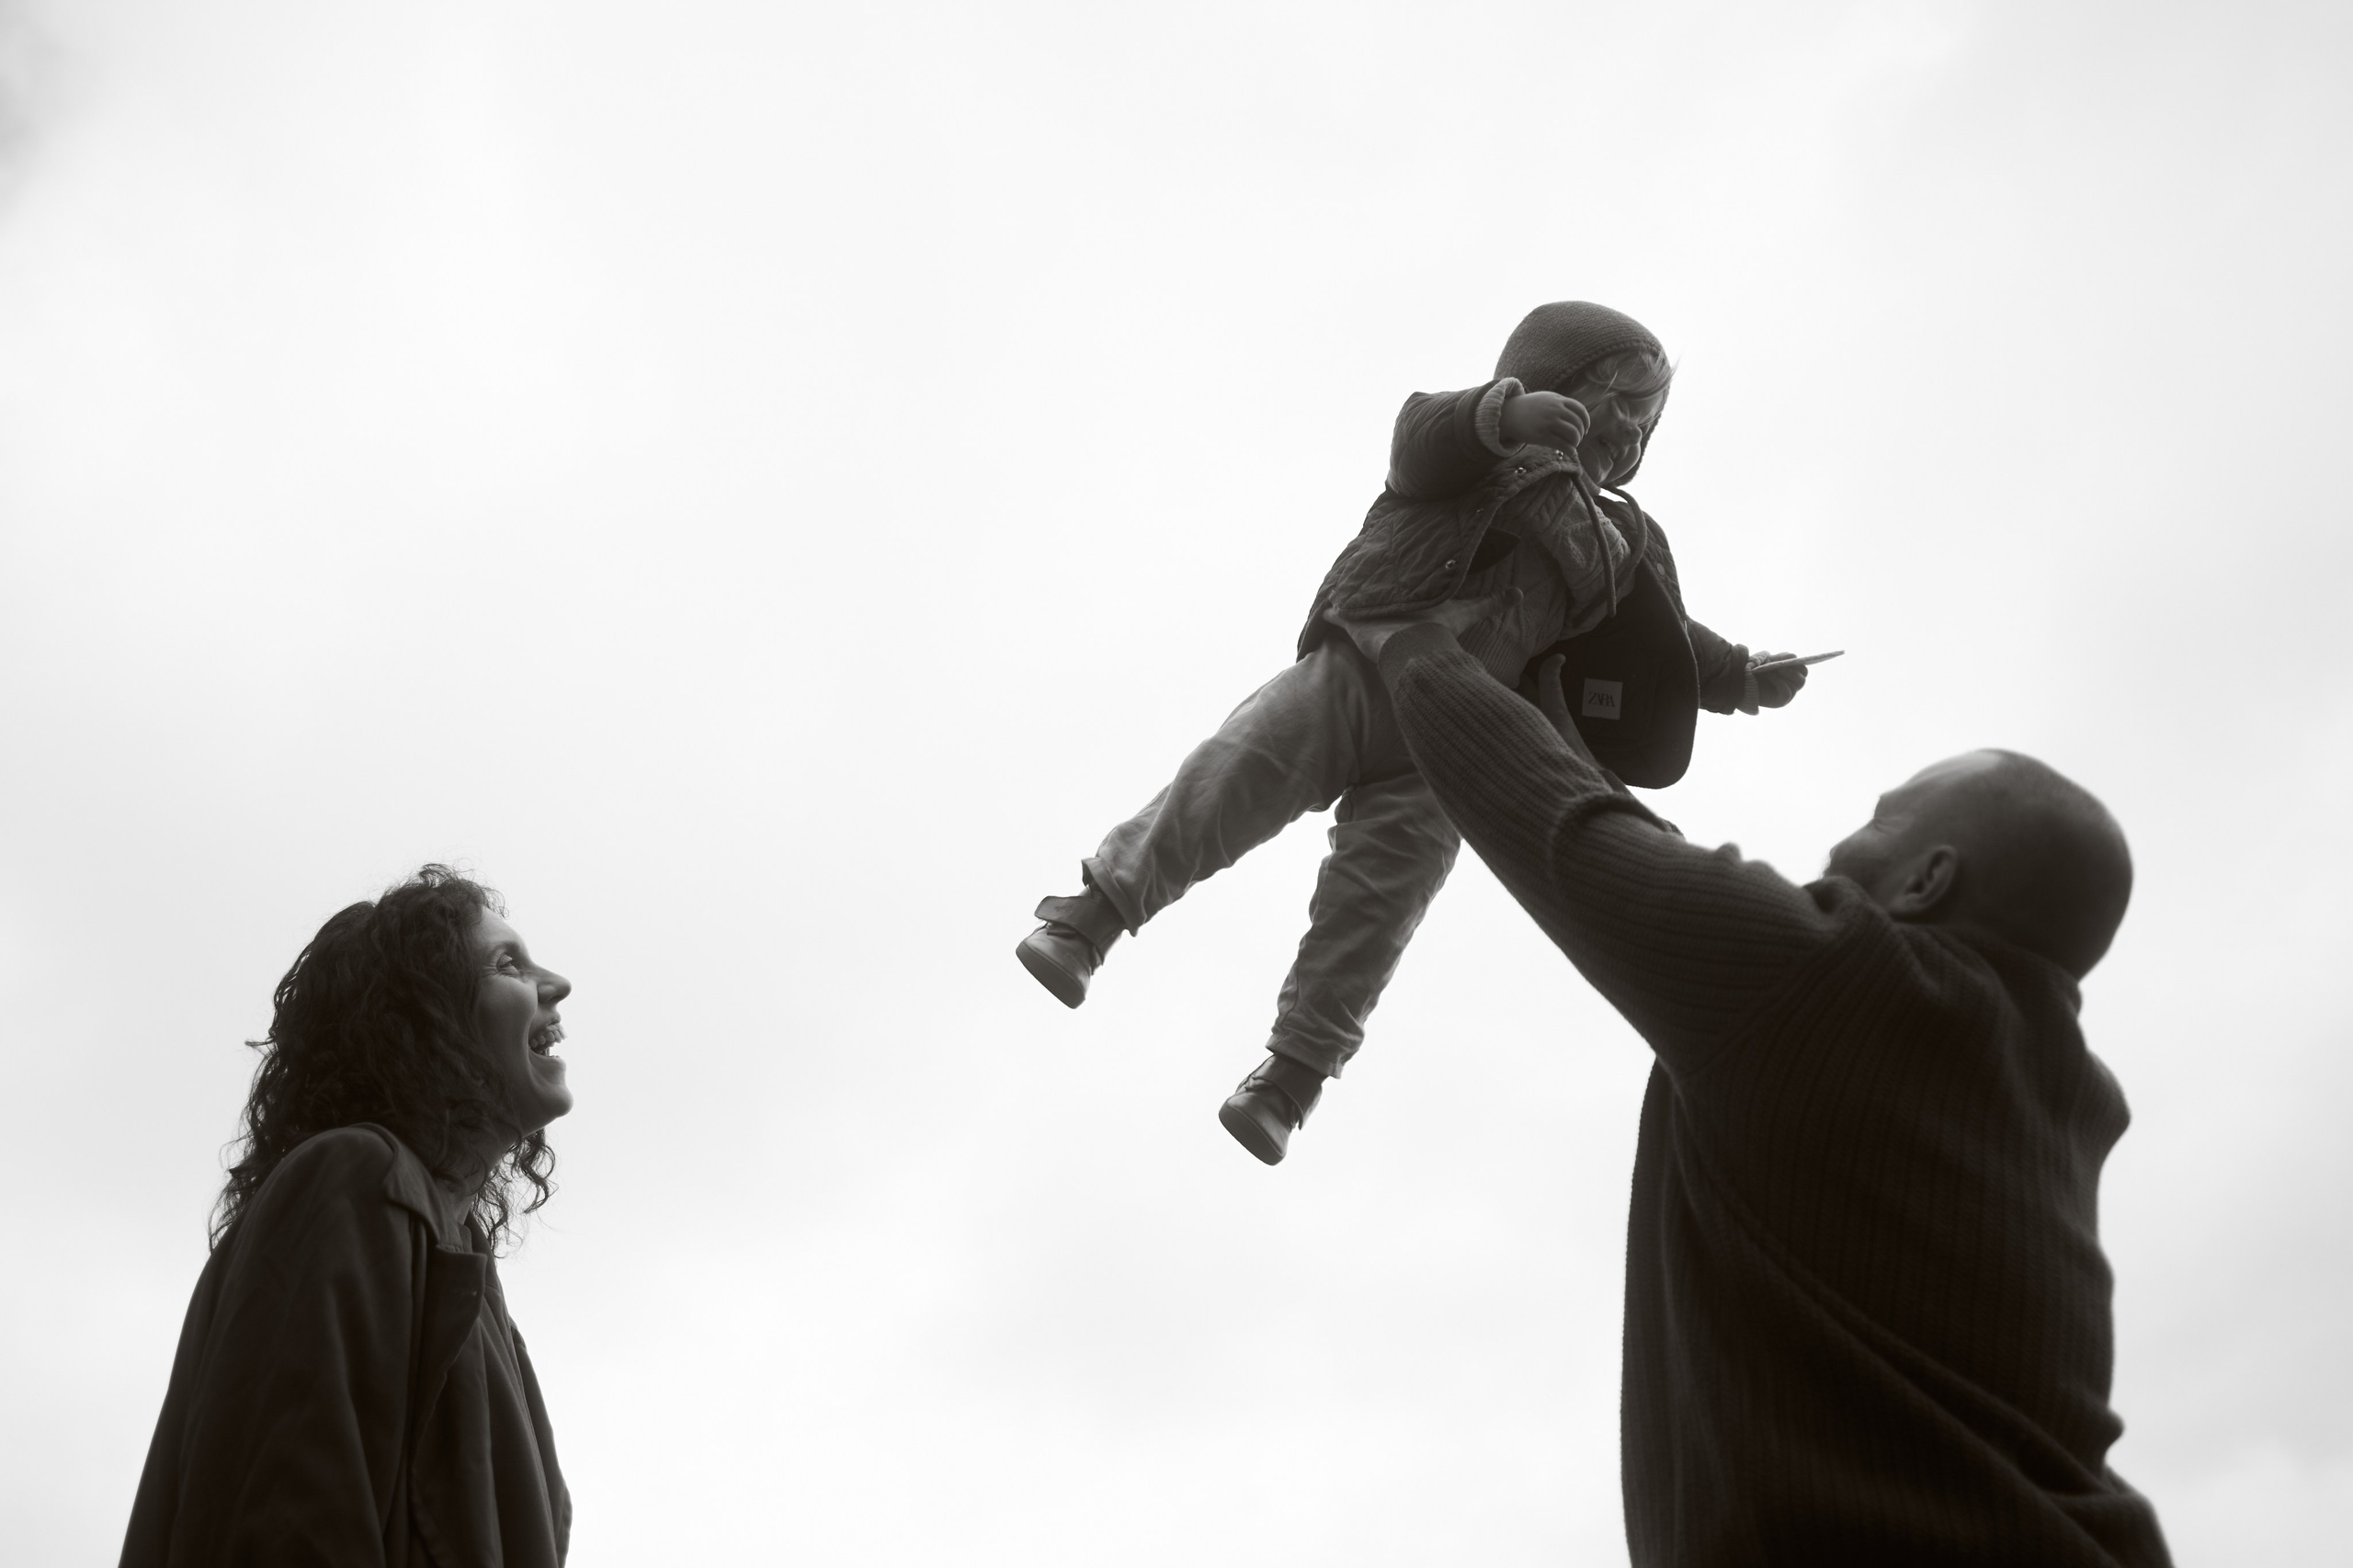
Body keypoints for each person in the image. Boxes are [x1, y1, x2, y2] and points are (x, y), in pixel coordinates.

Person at [1329, 594, 2170, 1564]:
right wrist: (1563, 727)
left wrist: (1414, 641)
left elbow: (1571, 836)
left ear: (1924, 881)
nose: (1842, 843)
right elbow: (1657, 872)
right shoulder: (2037, 1088)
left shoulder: (1842, 985)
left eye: (1876, 822)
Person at [1017, 301, 1812, 1164]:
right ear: (1555, 380)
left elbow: (1662, 637)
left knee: (1381, 901)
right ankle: (1089, 917)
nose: (1629, 432)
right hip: (1367, 659)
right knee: (1233, 775)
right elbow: (1418, 437)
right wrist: (1506, 415)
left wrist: (1735, 673)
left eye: (1646, 423)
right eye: (1618, 400)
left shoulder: (1623, 537)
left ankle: (1290, 1079)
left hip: (1458, 736)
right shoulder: (1489, 446)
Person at [119, 866, 576, 1567]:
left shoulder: (479, 1293)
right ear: (426, 1018)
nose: (556, 984)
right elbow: (288, 1528)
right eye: (508, 963)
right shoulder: (352, 1180)